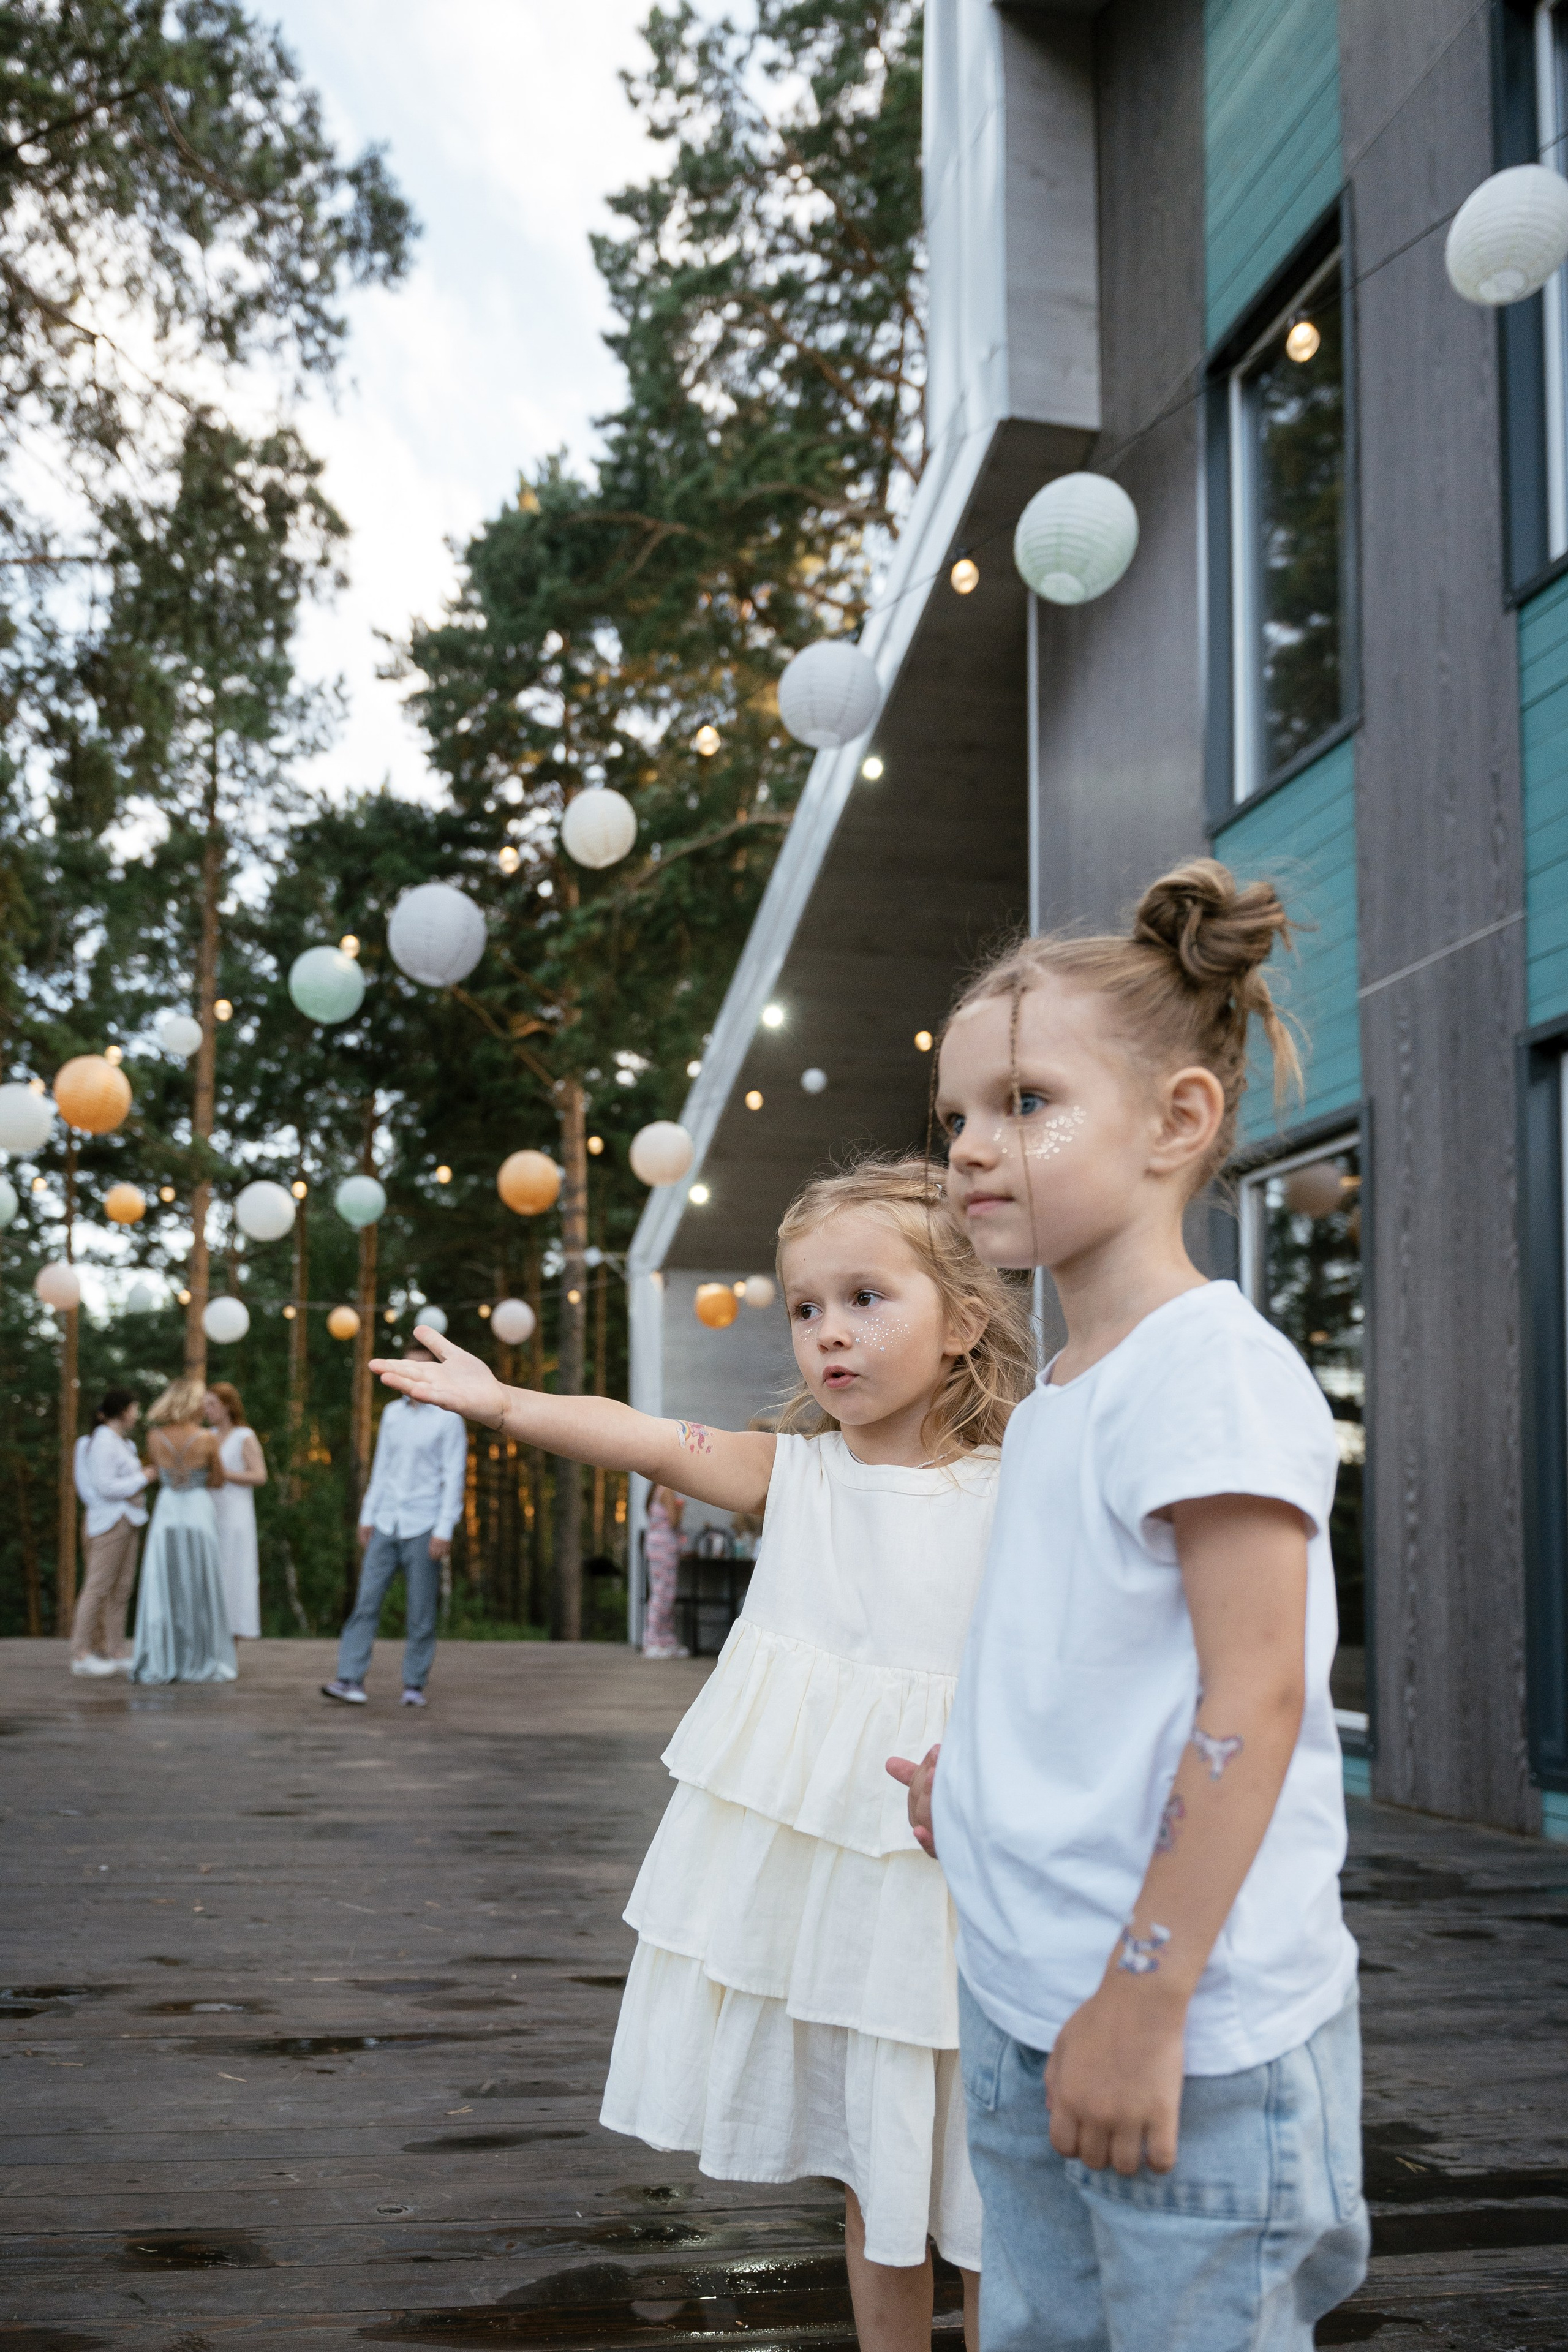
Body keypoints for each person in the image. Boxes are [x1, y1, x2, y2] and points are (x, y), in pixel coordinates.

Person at [371, 1159, 1036, 2352]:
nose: (827, 1334)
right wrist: (505, 1403)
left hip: (980, 1880)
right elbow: (643, 1438)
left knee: (988, 2186)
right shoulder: (797, 1476)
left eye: (865, 1299)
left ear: (964, 1324)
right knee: (875, 2176)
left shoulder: (1025, 1483)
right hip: (847, 1886)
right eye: (804, 1308)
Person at [890, 858, 1370, 2352]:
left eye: (1025, 1103)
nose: (971, 1146)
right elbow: (1090, 1663)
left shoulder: (1206, 1370)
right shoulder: (1057, 1396)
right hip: (1026, 2001)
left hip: (1179, 2040)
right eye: (956, 1113)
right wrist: (975, 1787)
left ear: (1177, 1121)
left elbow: (1255, 1693)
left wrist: (1143, 2003)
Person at [321, 1339, 467, 1709]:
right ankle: (349, 1679)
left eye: (421, 1367)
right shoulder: (392, 1414)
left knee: (420, 1611)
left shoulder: (449, 1417)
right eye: (408, 1366)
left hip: (424, 1524)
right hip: (386, 1520)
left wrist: (444, 1529)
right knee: (366, 1603)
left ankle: (414, 1686)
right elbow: (382, 1467)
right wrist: (368, 1516)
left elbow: (454, 1476)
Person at [130, 1377, 236, 1685]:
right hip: (198, 1512)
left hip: (167, 1512)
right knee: (201, 1583)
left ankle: (165, 1658)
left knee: (164, 1584)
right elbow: (218, 1479)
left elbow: (157, 1473)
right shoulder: (207, 1438)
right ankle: (202, 1657)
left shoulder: (154, 1437)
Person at [70, 1388, 152, 1677]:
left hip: (128, 1521)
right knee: (97, 1587)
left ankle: (115, 1650)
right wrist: (143, 1477)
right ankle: (80, 1654)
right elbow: (103, 1487)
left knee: (122, 1589)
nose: (138, 1415)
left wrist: (133, 1487)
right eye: (135, 1408)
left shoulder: (123, 1444)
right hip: (110, 1523)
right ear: (124, 1410)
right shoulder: (102, 1442)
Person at [203, 1382, 267, 1638]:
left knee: (234, 1573)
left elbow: (260, 1475)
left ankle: (233, 1639)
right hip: (210, 1512)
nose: (207, 1410)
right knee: (212, 1574)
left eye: (212, 1404)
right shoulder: (206, 1436)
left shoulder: (244, 1436)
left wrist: (223, 1474)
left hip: (235, 1514)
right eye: (205, 1405)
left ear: (228, 1407)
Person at [641, 1482, 687, 1657]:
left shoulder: (655, 1491)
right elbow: (673, 1521)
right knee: (662, 1594)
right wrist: (681, 1509)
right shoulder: (667, 1490)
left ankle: (665, 1640)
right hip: (664, 1546)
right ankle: (652, 1640)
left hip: (657, 1545)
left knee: (663, 1593)